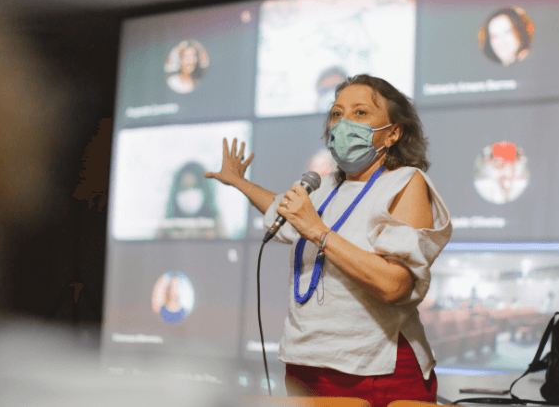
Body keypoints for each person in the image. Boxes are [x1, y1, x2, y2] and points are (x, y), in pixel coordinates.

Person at [205, 74, 452, 407]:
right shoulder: (324, 185)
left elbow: (395, 285)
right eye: (336, 113)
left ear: (393, 132)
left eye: (360, 113)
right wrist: (239, 182)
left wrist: (319, 232)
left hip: (374, 368)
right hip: (305, 360)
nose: (343, 122)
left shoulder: (406, 182)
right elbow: (281, 206)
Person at [156, 161, 225, 239]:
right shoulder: (168, 226)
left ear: (205, 191)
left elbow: (226, 247)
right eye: (184, 188)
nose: (190, 193)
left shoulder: (214, 223)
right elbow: (154, 248)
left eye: (195, 187)